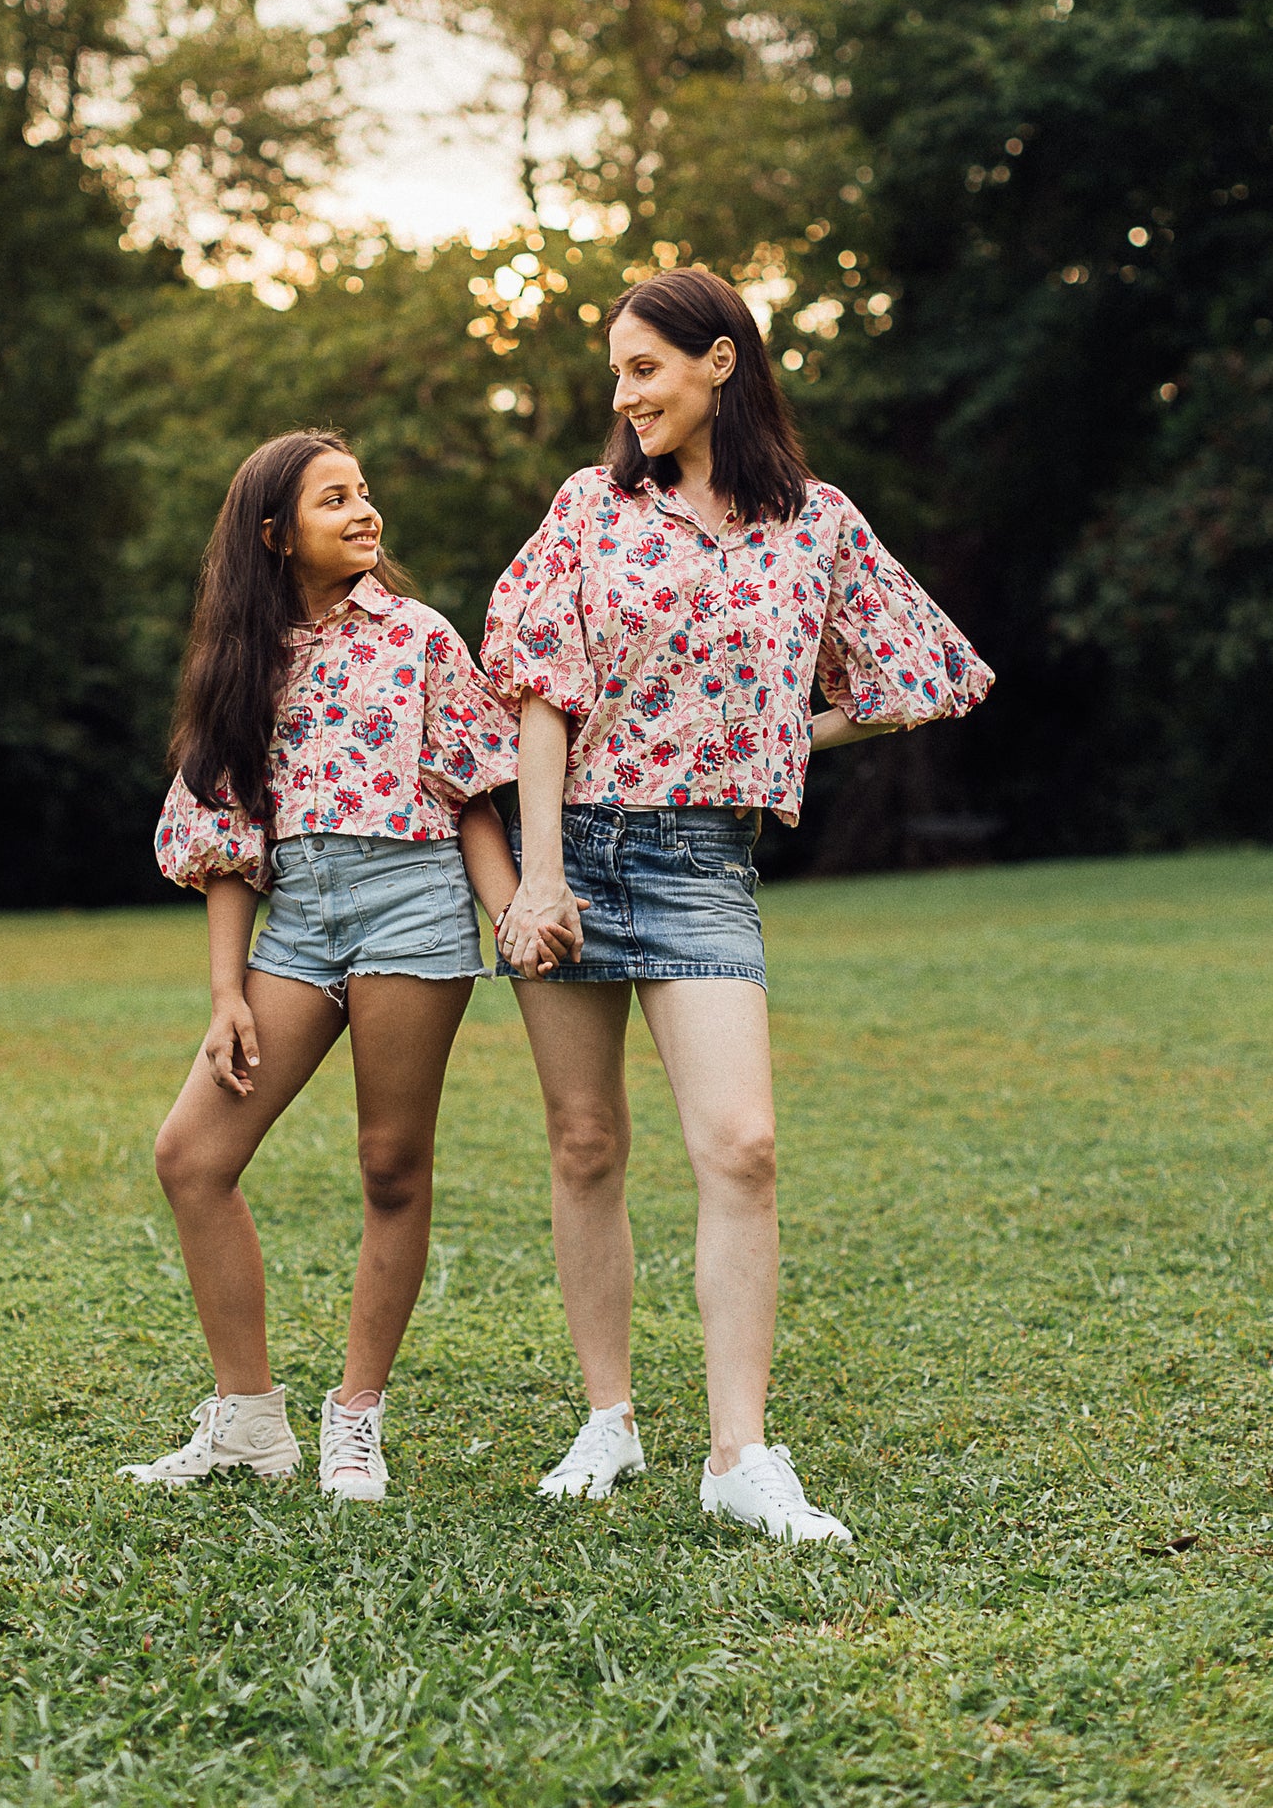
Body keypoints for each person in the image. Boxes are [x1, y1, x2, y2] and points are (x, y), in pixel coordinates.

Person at [487, 268, 993, 1542]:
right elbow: (539, 694)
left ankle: (737, 1453)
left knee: (742, 1146)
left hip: (705, 866)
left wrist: (773, 739)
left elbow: (919, 675)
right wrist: (537, 873)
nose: (623, 395)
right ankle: (607, 1420)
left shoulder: (814, 524)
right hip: (578, 848)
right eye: (615, 374)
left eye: (642, 369)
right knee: (585, 1143)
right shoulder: (591, 511)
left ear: (718, 361)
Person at [120, 430, 563, 1500]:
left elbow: (469, 794)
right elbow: (229, 844)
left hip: (410, 907)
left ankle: (354, 1417)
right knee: (190, 1153)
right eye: (334, 500)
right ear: (276, 535)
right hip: (299, 924)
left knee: (388, 1165)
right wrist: (225, 991)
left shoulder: (415, 635)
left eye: (364, 492)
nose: (364, 512)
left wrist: (509, 914)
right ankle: (246, 1423)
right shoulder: (238, 662)